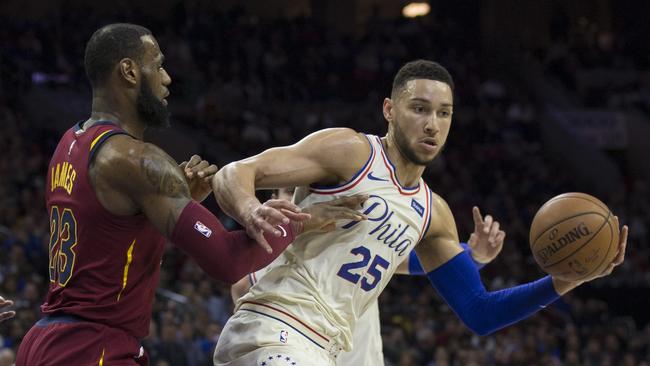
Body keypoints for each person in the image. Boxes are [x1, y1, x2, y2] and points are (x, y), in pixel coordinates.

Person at [212, 60, 629, 366]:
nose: (432, 123)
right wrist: (250, 209)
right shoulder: (350, 152)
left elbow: (480, 313)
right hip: (273, 330)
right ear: (390, 110)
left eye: (443, 113)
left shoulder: (433, 214)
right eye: (419, 109)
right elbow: (235, 173)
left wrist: (562, 281)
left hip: (329, 347)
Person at [16, 23, 366, 366]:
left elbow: (108, 235)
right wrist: (301, 222)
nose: (167, 78)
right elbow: (227, 261)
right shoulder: (137, 159)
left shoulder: (70, 143)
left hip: (47, 341)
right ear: (129, 71)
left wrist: (173, 201)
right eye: (158, 65)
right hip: (93, 348)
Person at [231, 196, 505, 366]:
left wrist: (474, 256)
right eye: (287, 194)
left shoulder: (348, 245)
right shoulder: (266, 267)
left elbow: (420, 262)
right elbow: (240, 286)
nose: (297, 202)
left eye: (301, 194)